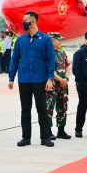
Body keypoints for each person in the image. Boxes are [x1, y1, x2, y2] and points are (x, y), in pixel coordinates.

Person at [8, 11, 55, 147]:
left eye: (25, 20)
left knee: (42, 108)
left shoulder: (46, 40)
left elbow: (50, 60)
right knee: (25, 109)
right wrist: (11, 78)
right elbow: (14, 59)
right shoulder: (20, 40)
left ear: (33, 21)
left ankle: (45, 138)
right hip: (24, 80)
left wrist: (50, 78)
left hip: (40, 80)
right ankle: (26, 137)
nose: (23, 22)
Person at [46, 32, 71, 140]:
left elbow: (68, 65)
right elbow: (48, 69)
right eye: (58, 40)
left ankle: (61, 130)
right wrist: (60, 79)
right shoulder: (46, 53)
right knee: (49, 108)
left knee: (63, 106)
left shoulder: (62, 53)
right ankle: (48, 131)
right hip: (52, 84)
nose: (60, 41)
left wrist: (66, 78)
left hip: (63, 84)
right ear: (52, 41)